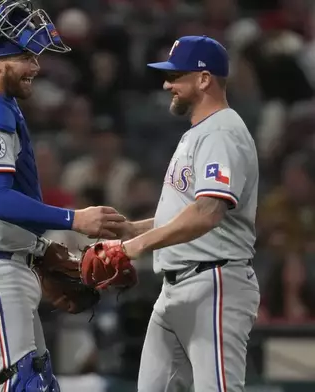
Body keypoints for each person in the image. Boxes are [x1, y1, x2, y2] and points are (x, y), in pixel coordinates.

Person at [0, 1, 126, 391]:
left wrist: (38, 249)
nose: (36, 67)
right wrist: (75, 220)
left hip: (3, 262)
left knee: (39, 385)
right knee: (22, 387)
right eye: (25, 56)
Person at [106, 35, 260, 391]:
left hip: (214, 281)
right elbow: (187, 210)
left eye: (176, 76)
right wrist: (132, 229)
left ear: (204, 79)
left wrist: (135, 247)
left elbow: (207, 212)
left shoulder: (222, 131)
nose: (167, 84)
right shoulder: (200, 131)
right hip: (177, 287)